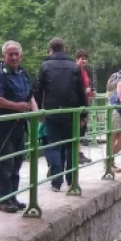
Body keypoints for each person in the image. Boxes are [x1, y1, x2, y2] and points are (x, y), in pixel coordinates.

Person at [0, 41, 38, 213]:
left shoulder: (23, 73)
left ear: (21, 56)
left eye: (17, 54)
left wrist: (35, 113)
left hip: (19, 125)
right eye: (10, 54)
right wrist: (16, 107)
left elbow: (29, 96)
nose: (14, 57)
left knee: (16, 162)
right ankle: (3, 199)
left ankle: (12, 197)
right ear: (4, 56)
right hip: (2, 125)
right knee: (5, 163)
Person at [33, 38, 88, 192]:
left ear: (50, 49)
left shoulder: (45, 65)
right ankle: (71, 180)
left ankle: (56, 182)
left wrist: (38, 110)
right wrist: (84, 113)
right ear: (64, 49)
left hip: (52, 112)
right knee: (71, 145)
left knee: (53, 145)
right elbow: (81, 91)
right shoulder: (74, 67)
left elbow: (38, 90)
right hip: (72, 113)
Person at [75, 50, 95, 165]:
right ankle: (76, 153)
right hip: (78, 104)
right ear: (77, 59)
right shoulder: (75, 71)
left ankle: (79, 152)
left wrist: (90, 92)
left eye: (85, 59)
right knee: (78, 129)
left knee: (81, 130)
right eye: (81, 58)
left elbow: (87, 86)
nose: (83, 60)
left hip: (85, 102)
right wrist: (84, 91)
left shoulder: (84, 72)